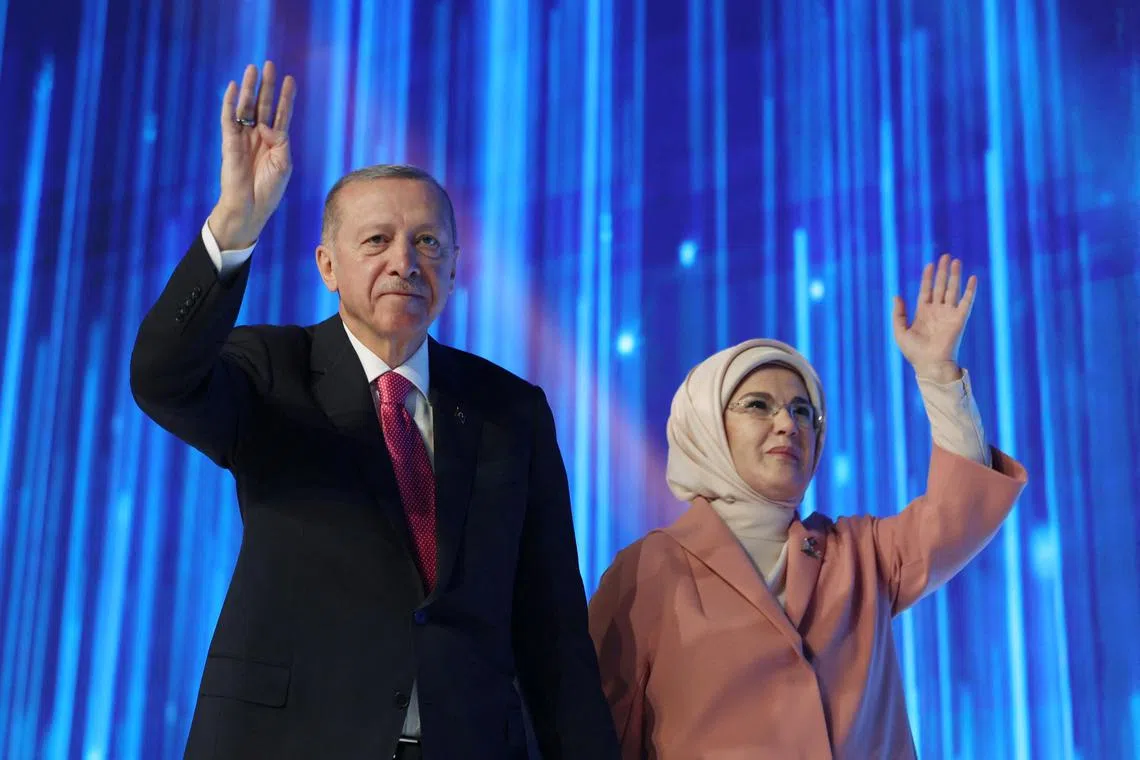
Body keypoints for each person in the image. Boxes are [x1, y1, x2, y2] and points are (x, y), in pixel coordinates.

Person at [131, 61, 619, 760]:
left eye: (428, 243)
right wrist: (235, 223)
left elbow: (554, 633)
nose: (404, 262)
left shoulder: (512, 410)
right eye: (377, 240)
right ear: (327, 266)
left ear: (455, 269)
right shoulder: (274, 369)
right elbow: (161, 379)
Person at [587, 255, 1029, 758]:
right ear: (705, 427)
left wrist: (938, 375)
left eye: (803, 411)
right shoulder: (647, 572)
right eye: (758, 405)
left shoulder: (862, 553)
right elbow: (596, 735)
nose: (788, 424)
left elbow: (961, 510)